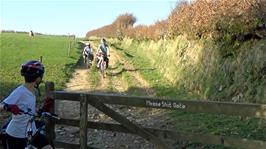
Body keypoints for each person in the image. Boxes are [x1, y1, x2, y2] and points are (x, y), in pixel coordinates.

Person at [0, 60, 53, 149]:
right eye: (41, 76)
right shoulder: (20, 91)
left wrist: (40, 111)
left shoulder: (32, 91)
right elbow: (1, 105)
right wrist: (8, 107)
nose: (41, 78)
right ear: (37, 77)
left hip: (31, 131)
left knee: (48, 147)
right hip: (16, 134)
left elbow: (28, 111)